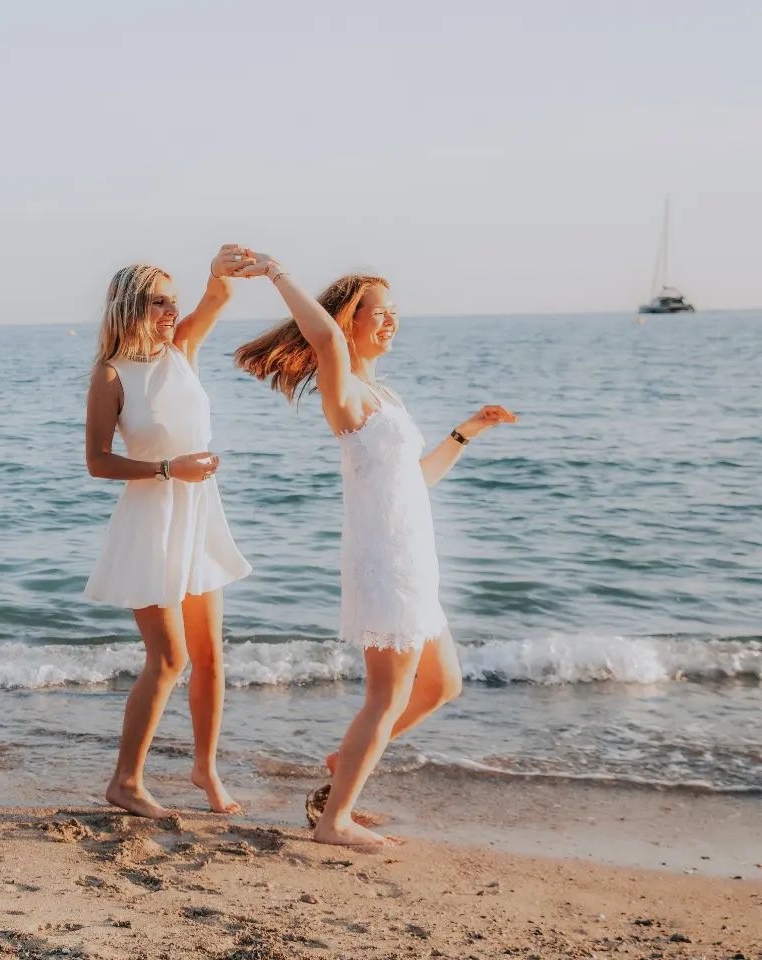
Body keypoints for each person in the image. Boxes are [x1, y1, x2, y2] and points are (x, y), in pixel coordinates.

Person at [233, 257, 516, 845]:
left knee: (441, 687)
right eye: (378, 313)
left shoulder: (383, 393)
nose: (390, 322)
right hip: (387, 559)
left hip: (414, 556)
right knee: (386, 697)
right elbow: (324, 337)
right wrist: (277, 275)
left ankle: (343, 766)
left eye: (394, 313)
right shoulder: (343, 388)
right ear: (348, 320)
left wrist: (467, 432)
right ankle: (335, 821)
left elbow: (417, 478)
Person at [84, 246, 257, 818]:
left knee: (210, 658)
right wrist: (167, 469)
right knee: (168, 659)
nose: (169, 310)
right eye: (159, 300)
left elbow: (218, 297)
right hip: (152, 520)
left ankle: (205, 769)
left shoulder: (182, 348)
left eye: (172, 300)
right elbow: (98, 462)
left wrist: (217, 272)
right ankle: (125, 782)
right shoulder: (111, 374)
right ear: (133, 304)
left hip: (199, 515)